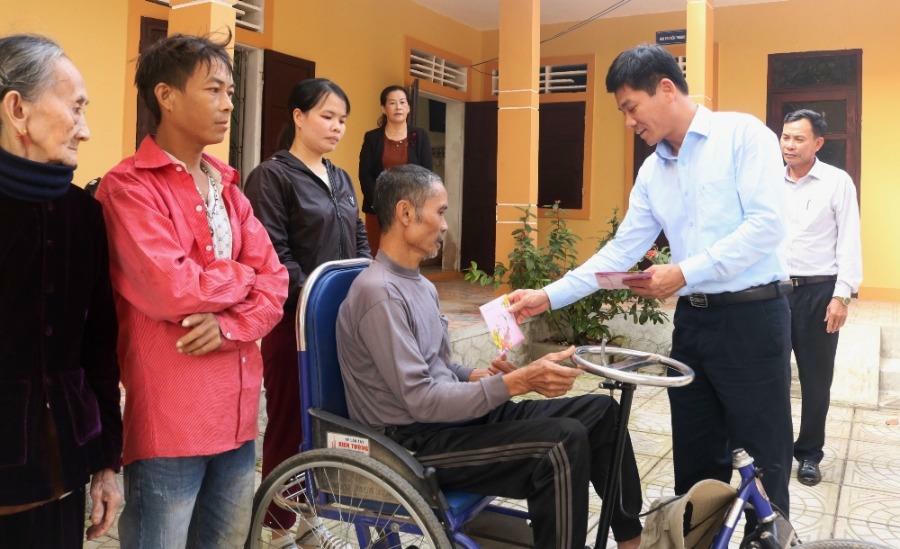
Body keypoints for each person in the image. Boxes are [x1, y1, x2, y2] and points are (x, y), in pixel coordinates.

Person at [508, 44, 794, 517]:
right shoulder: (652, 170)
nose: (628, 122)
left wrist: (683, 272)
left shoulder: (742, 136)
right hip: (694, 326)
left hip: (753, 319)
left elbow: (766, 227)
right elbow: (620, 251)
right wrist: (548, 295)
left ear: (665, 89)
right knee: (696, 465)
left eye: (630, 107)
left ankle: (766, 540)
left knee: (765, 460)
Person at [336, 164, 643, 549]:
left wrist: (475, 377)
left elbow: (440, 365)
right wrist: (516, 382)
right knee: (560, 444)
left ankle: (633, 540)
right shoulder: (379, 293)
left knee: (602, 414)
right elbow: (420, 399)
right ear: (406, 213)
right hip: (412, 443)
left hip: (450, 422)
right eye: (440, 211)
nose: (445, 225)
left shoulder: (420, 285)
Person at [95, 33, 288, 548]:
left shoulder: (227, 186)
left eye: (231, 92)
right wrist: (244, 276)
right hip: (171, 422)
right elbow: (173, 289)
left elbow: (277, 282)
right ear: (166, 95)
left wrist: (228, 326)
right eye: (214, 90)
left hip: (239, 416)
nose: (229, 104)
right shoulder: (130, 187)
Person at [0, 34, 122, 547]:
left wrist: (108, 464)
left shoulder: (84, 216)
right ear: (17, 110)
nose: (86, 130)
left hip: (64, 474)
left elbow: (99, 349)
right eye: (75, 108)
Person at [244, 77, 370, 547]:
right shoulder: (272, 177)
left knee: (325, 426)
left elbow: (359, 240)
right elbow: (274, 256)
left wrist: (366, 290)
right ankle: (274, 529)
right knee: (289, 425)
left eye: (342, 120)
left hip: (340, 325)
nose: (337, 127)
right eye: (327, 116)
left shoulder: (341, 178)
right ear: (298, 117)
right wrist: (319, 301)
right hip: (294, 326)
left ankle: (308, 520)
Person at [780, 109, 862, 486]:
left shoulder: (836, 182)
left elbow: (849, 240)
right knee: (770, 377)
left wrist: (841, 295)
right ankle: (774, 447)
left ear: (818, 143)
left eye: (798, 138)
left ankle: (809, 453)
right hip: (774, 293)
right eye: (785, 137)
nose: (790, 145)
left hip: (818, 293)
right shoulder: (768, 182)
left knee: (815, 380)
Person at [358, 84, 432, 254]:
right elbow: (365, 174)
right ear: (384, 109)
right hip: (378, 210)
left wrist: (415, 205)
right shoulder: (372, 138)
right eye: (392, 103)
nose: (398, 107)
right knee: (377, 254)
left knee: (408, 254)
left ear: (408, 108)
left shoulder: (419, 136)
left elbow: (427, 174)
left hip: (411, 211)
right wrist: (379, 204)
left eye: (402, 102)